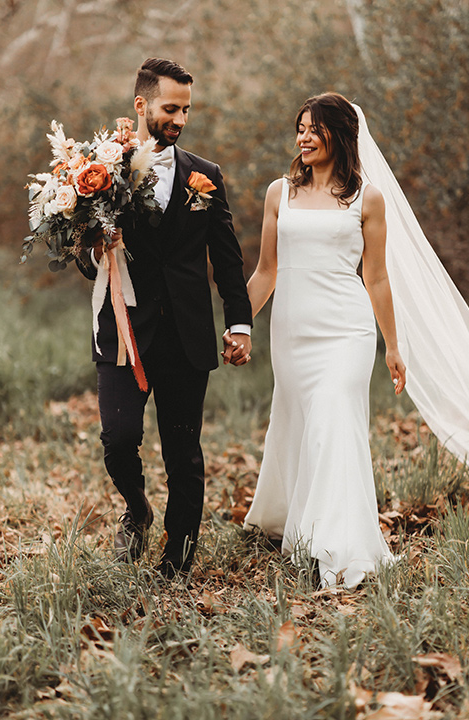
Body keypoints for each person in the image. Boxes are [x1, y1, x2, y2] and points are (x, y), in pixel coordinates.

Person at [78, 57, 252, 577]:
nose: (178, 119)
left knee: (183, 452)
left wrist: (238, 322)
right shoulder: (101, 173)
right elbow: (89, 263)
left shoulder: (207, 176)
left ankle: (177, 563)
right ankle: (137, 508)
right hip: (125, 330)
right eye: (169, 108)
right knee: (117, 441)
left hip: (185, 334)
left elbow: (227, 257)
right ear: (141, 105)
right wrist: (97, 249)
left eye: (186, 110)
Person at [242, 92, 406, 590]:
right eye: (300, 128)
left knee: (334, 422)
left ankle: (337, 546)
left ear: (340, 134)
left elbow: (375, 278)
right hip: (292, 331)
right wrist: (236, 324)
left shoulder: (367, 199)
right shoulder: (279, 193)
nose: (304, 137)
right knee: (298, 423)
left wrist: (393, 346)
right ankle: (292, 516)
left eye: (315, 128)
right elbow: (266, 272)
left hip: (347, 330)